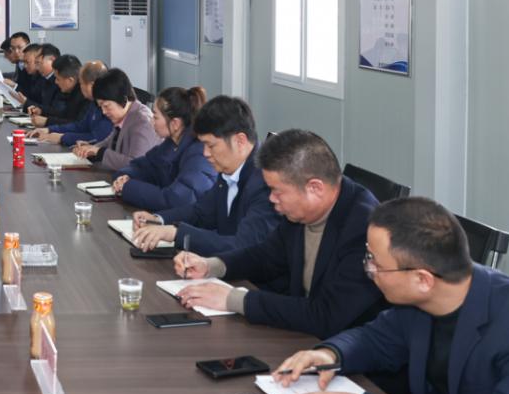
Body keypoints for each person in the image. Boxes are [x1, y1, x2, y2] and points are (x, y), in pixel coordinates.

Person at [274, 197, 509, 394]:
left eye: (376, 264)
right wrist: (330, 353)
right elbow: (375, 339)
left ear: (422, 279)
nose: (368, 270)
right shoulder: (427, 297)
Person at [173, 129, 386, 339]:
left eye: (277, 191)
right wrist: (212, 266)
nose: (272, 199)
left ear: (315, 188)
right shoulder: (301, 212)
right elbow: (267, 256)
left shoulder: (366, 230)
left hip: (346, 351)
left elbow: (326, 315)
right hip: (300, 336)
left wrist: (234, 299)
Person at [130, 95, 273, 253]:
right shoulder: (229, 168)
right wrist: (158, 219)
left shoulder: (267, 182)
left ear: (240, 141)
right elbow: (201, 212)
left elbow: (243, 245)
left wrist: (176, 233)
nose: (205, 153)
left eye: (210, 145)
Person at [113, 86, 217, 212]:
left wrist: (129, 188)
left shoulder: (200, 154)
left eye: (156, 117)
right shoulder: (170, 145)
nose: (151, 122)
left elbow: (176, 200)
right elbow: (143, 167)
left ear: (175, 123)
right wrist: (125, 177)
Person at [72, 68, 159, 172]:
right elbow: (109, 141)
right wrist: (90, 148)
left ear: (123, 99)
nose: (104, 112)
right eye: (101, 107)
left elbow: (136, 165)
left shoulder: (142, 121)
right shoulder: (124, 116)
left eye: (106, 106)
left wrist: (99, 152)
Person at [26, 53, 84, 123]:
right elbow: (63, 114)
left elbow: (76, 124)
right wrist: (41, 111)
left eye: (58, 79)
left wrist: (46, 121)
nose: (56, 82)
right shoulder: (71, 91)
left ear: (70, 80)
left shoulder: (83, 95)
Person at [23, 43, 61, 112]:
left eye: (39, 63)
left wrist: (26, 102)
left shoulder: (60, 81)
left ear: (52, 60)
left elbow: (55, 111)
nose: (37, 68)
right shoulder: (43, 79)